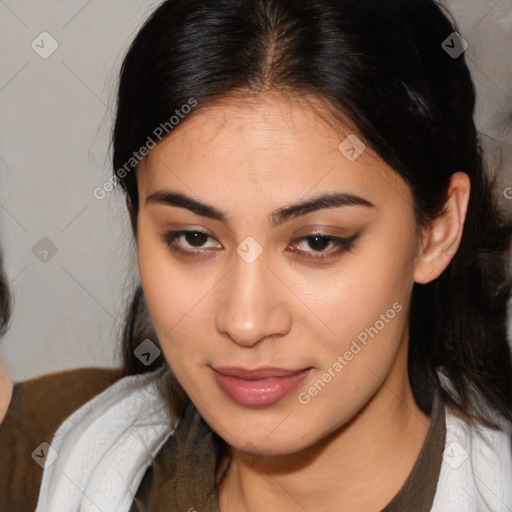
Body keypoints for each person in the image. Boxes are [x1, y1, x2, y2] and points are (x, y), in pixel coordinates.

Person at [2, 0, 512, 510]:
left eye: (317, 242)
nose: (245, 322)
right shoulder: (74, 464)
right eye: (194, 238)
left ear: (438, 230)